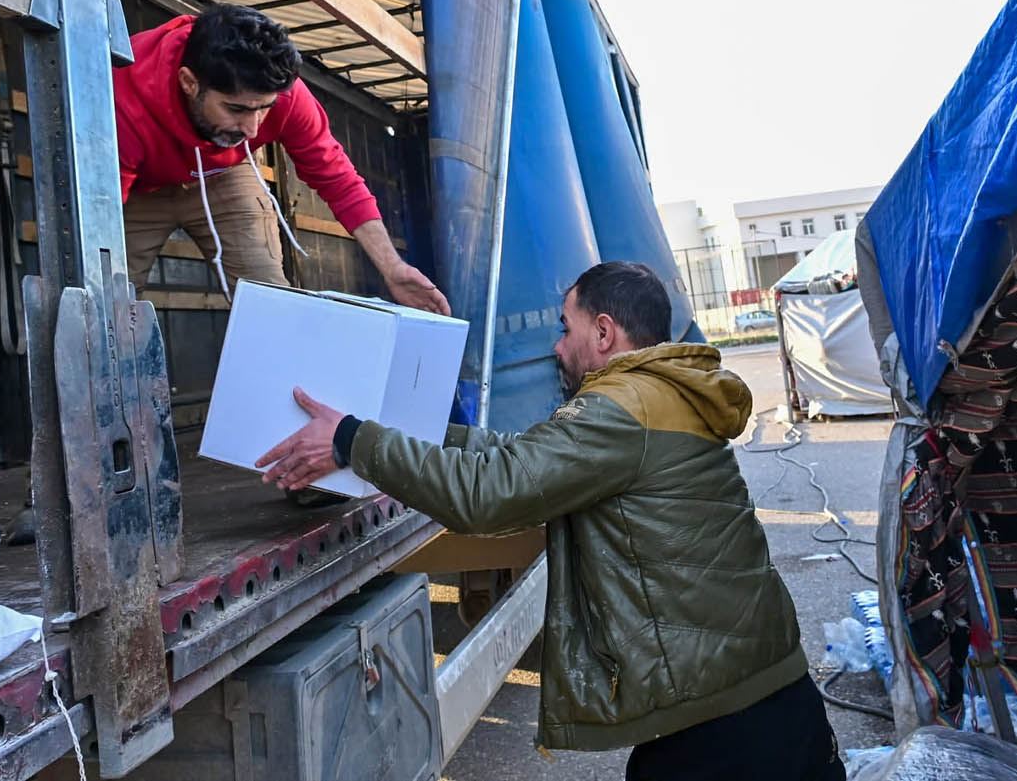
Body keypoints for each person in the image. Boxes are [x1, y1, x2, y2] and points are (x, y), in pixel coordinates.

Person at [258, 261, 844, 781]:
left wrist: (350, 440)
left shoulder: (622, 407)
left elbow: (490, 494)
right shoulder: (661, 394)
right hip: (762, 689)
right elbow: (521, 457)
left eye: (566, 328)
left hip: (721, 721)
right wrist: (416, 431)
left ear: (604, 332)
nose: (558, 348)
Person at [112, 3, 449, 315]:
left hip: (226, 171)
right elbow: (102, 204)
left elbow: (338, 177)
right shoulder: (125, 95)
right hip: (134, 188)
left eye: (264, 108)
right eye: (237, 109)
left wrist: (392, 267)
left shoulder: (286, 97)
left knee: (269, 298)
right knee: (112, 299)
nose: (252, 128)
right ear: (189, 82)